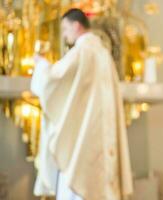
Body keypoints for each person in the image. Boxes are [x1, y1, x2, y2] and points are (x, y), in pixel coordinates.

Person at [31, 8, 133, 200]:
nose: (64, 35)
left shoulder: (82, 52)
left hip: (83, 142)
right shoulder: (103, 54)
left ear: (76, 25)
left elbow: (52, 80)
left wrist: (41, 65)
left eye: (65, 29)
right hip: (101, 139)